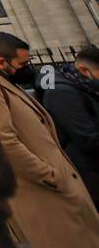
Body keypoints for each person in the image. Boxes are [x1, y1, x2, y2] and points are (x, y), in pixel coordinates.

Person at [0, 32, 99, 248]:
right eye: (23, 63)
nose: (28, 68)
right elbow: (3, 141)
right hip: (42, 190)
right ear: (1, 61)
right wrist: (49, 175)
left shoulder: (0, 79)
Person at [41, 45, 99, 209]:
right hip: (90, 174)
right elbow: (88, 139)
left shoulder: (83, 87)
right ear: (85, 70)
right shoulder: (62, 93)